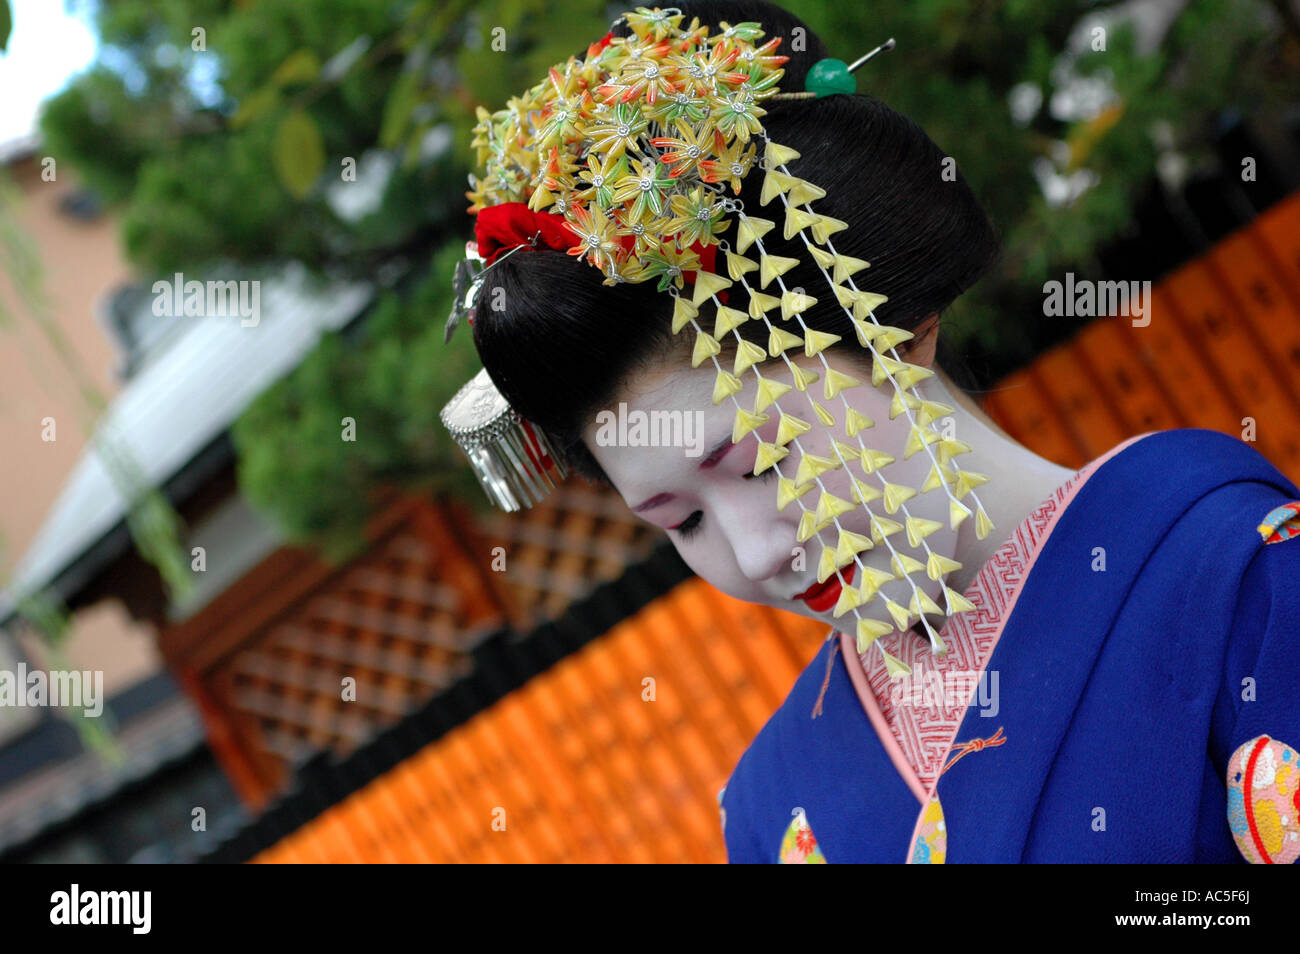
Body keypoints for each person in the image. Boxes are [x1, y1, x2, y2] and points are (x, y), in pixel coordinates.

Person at [443, 0, 1300, 862]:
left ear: (897, 328)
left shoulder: (1237, 574)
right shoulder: (773, 806)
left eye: (762, 459)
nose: (754, 552)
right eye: (682, 522)